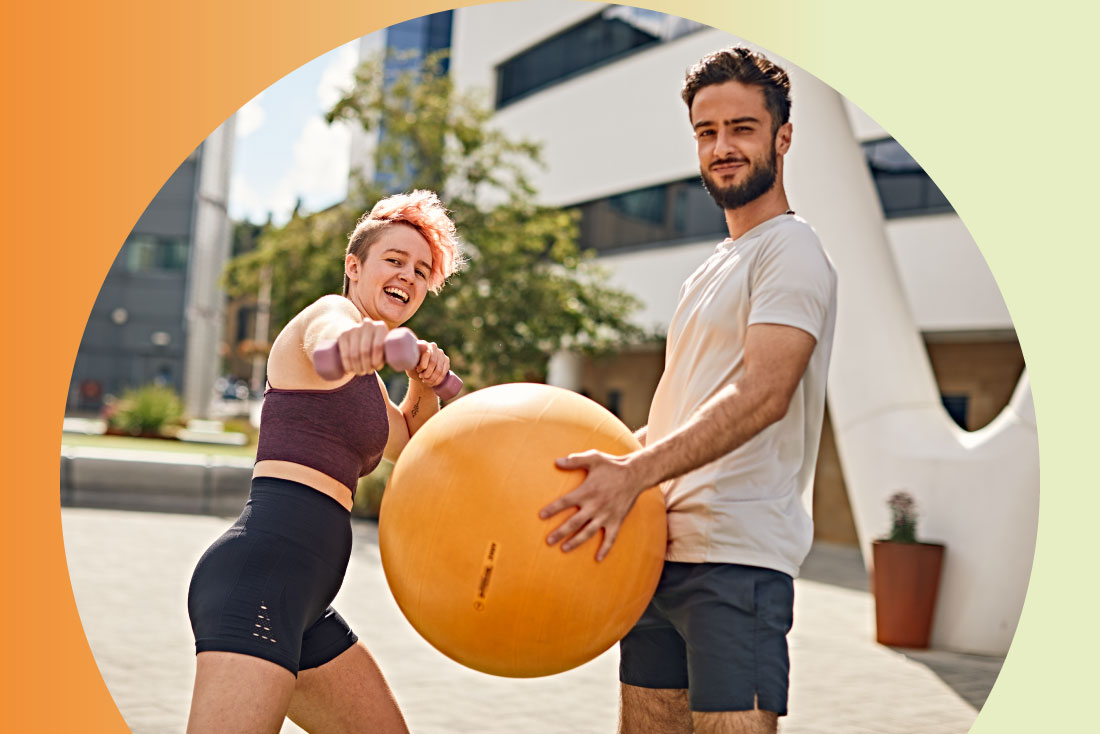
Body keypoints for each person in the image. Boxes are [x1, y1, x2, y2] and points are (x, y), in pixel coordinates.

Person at [540, 47, 837, 734]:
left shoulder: (791, 249)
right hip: (657, 555)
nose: (722, 147)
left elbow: (765, 393)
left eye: (742, 128)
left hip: (736, 560)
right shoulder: (708, 271)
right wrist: (590, 469)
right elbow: (680, 415)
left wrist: (634, 473)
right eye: (707, 132)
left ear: (783, 138)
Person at [186, 190, 462, 734]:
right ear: (354, 267)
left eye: (421, 270)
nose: (408, 276)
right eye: (395, 260)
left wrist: (423, 383)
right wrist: (358, 343)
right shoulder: (331, 314)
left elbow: (411, 445)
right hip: (259, 579)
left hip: (304, 600)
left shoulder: (369, 383)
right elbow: (327, 345)